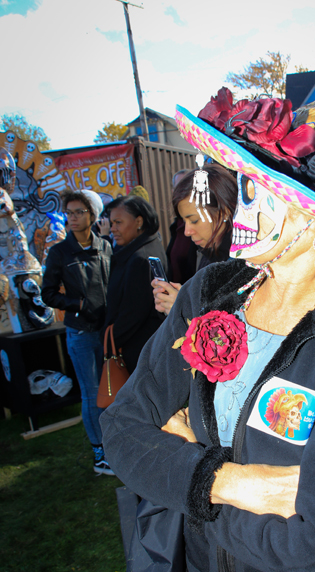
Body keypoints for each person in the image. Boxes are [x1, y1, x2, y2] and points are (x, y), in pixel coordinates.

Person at [101, 85, 315, 572]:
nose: (239, 206)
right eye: (244, 182)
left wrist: (179, 465)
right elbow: (122, 429)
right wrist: (229, 481)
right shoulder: (211, 290)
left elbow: (312, 551)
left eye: (259, 189)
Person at [41, 189, 113, 475]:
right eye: (68, 213)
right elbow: (48, 294)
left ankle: (116, 444)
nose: (71, 218)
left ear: (92, 214)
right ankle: (100, 455)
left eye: (78, 212)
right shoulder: (59, 252)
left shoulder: (106, 247)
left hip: (108, 332)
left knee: (112, 391)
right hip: (81, 334)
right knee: (91, 394)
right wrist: (77, 304)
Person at [152, 164, 237, 315]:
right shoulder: (210, 253)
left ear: (223, 213)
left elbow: (224, 333)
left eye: (194, 220)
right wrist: (181, 299)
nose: (186, 231)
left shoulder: (245, 264)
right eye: (184, 221)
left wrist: (183, 310)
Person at [103, 195, 168, 373]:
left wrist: (110, 340)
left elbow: (133, 312)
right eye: (112, 223)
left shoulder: (140, 258)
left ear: (139, 221)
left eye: (118, 222)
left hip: (139, 351)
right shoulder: (148, 246)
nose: (113, 229)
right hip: (145, 347)